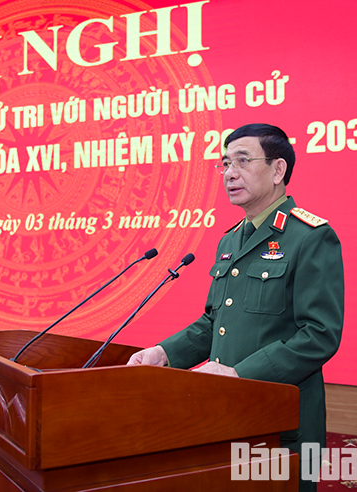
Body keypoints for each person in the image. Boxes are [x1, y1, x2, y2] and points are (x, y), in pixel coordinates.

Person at [127, 123, 344, 491]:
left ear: (278, 170)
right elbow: (214, 322)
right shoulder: (230, 240)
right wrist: (164, 353)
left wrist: (239, 375)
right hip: (226, 415)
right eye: (225, 163)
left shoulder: (310, 237)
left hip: (279, 421)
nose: (229, 173)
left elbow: (320, 335)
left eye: (243, 161)